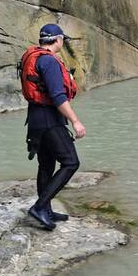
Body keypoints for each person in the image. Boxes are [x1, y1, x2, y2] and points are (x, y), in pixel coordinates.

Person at [19, 24, 86, 230]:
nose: (63, 43)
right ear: (57, 40)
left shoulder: (34, 56)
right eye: (62, 39)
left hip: (36, 118)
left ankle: (46, 210)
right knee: (70, 163)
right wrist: (75, 121)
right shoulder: (48, 61)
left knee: (46, 165)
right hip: (49, 119)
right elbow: (58, 96)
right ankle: (39, 207)